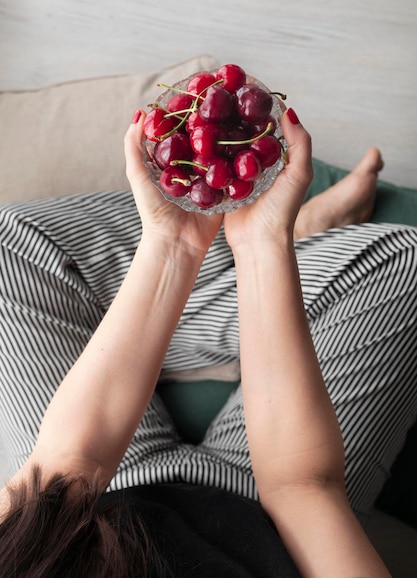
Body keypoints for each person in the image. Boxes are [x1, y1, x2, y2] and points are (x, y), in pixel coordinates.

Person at [0, 105, 416, 576]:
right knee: (402, 262)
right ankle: (281, 256)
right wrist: (263, 249)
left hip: (93, 490)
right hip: (276, 513)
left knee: (11, 243)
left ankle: (279, 250)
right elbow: (303, 488)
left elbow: (69, 464)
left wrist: (171, 248)